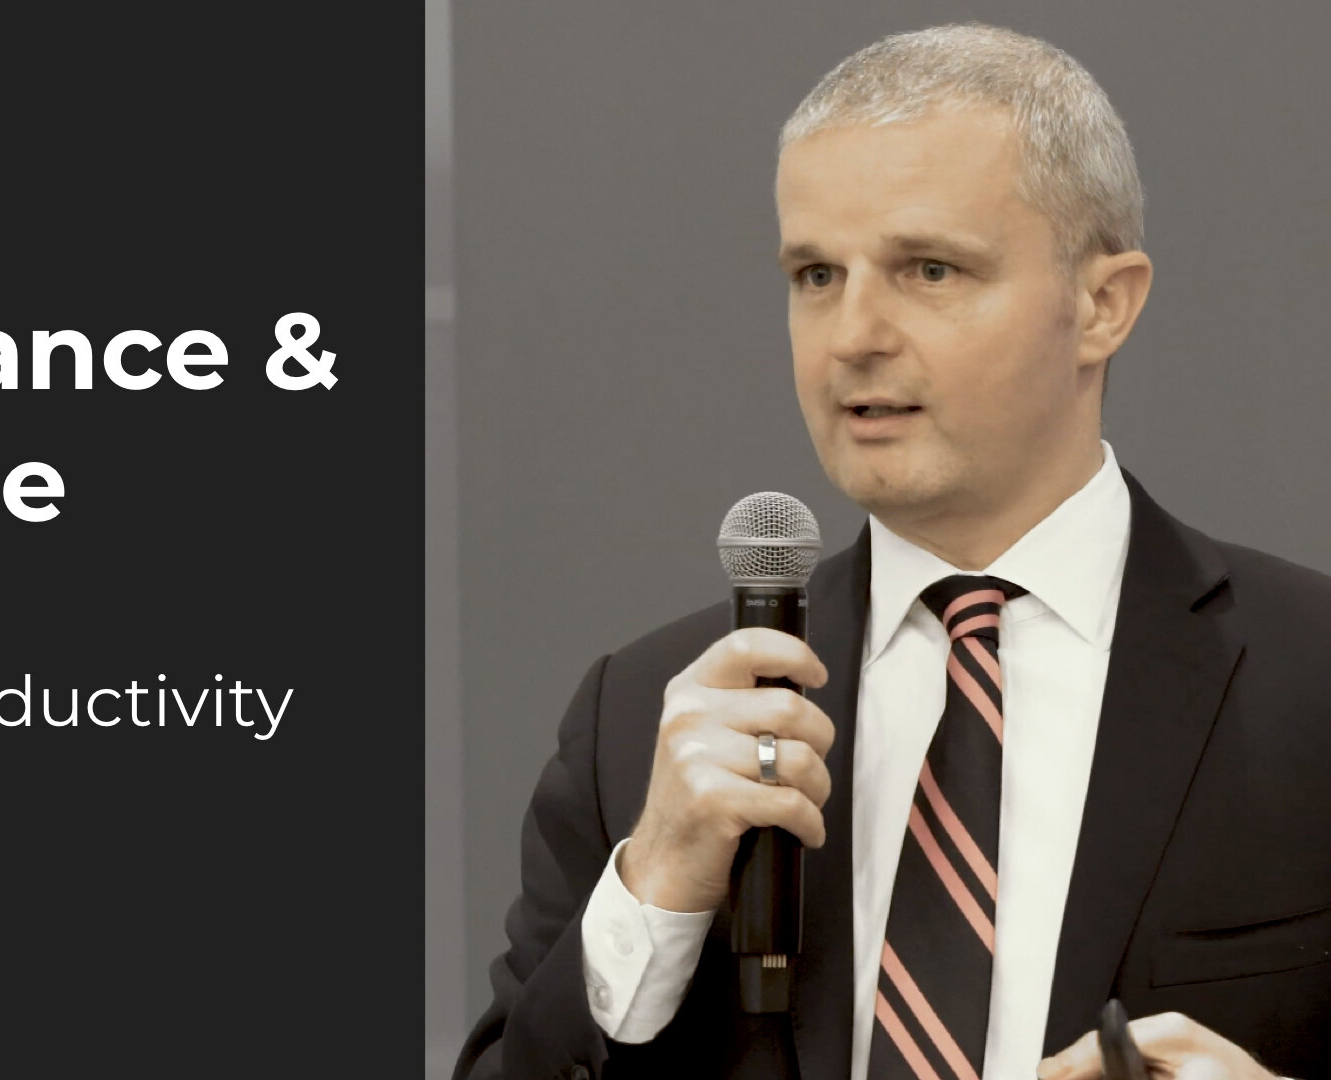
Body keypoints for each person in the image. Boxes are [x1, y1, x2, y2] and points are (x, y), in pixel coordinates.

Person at [453, 23, 1331, 1080]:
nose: (852, 334)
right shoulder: (644, 721)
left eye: (929, 268)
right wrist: (656, 885)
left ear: (1103, 304)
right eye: (816, 274)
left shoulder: (1310, 679)